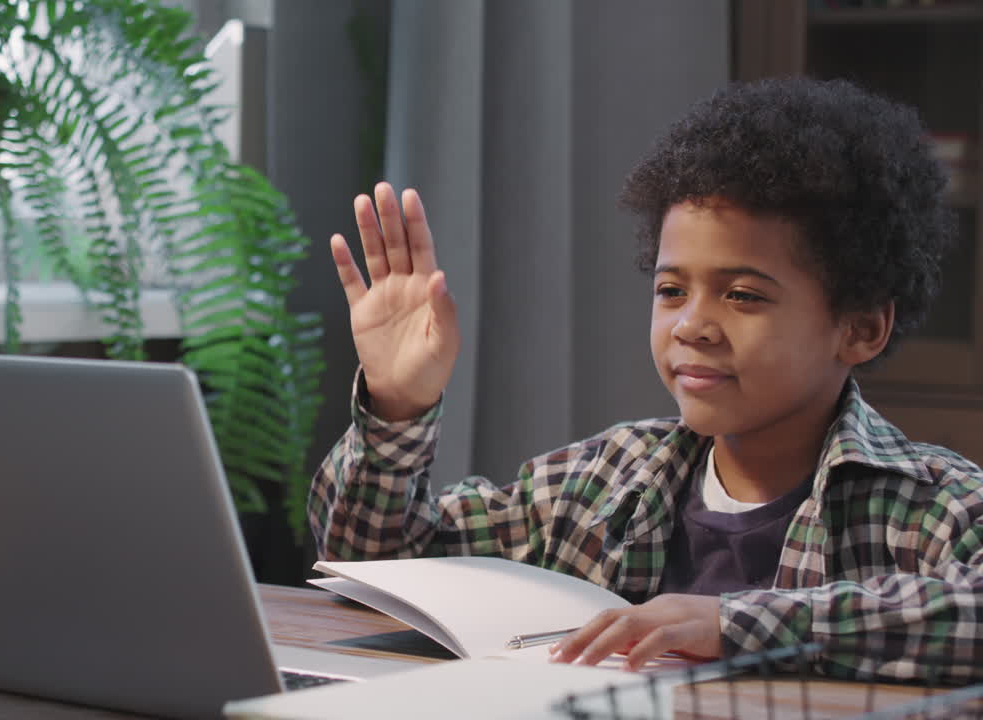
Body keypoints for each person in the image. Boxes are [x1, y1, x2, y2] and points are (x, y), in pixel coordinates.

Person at [308, 75, 983, 683]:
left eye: (743, 295)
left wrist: (736, 625)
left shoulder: (930, 505)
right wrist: (398, 403)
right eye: (670, 290)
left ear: (860, 328)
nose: (692, 325)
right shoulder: (603, 480)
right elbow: (377, 565)